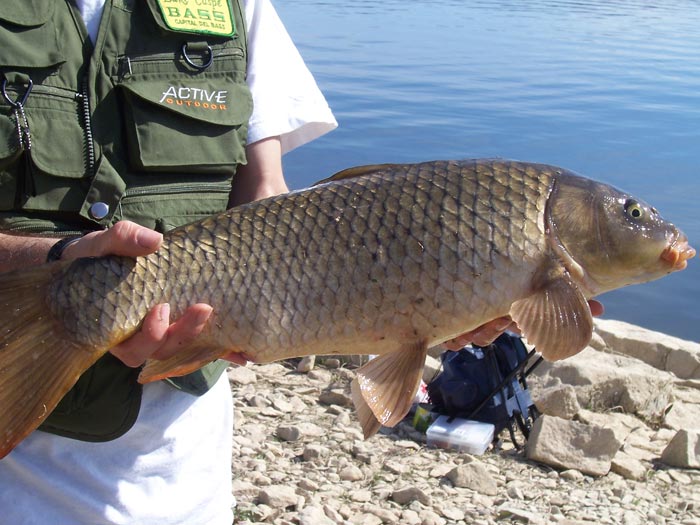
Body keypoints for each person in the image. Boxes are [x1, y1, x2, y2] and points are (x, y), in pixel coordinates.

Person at [0, 1, 603, 523]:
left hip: (181, 483)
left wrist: (434, 297)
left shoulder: (235, 7)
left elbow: (265, 201)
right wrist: (56, 261)